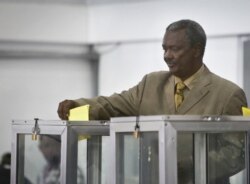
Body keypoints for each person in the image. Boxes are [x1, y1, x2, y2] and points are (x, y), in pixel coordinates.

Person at [57, 20, 248, 184]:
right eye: (165, 49)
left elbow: (237, 154)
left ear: (197, 50)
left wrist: (189, 166)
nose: (167, 56)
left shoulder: (228, 94)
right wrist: (77, 105)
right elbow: (114, 104)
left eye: (175, 49)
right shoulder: (152, 83)